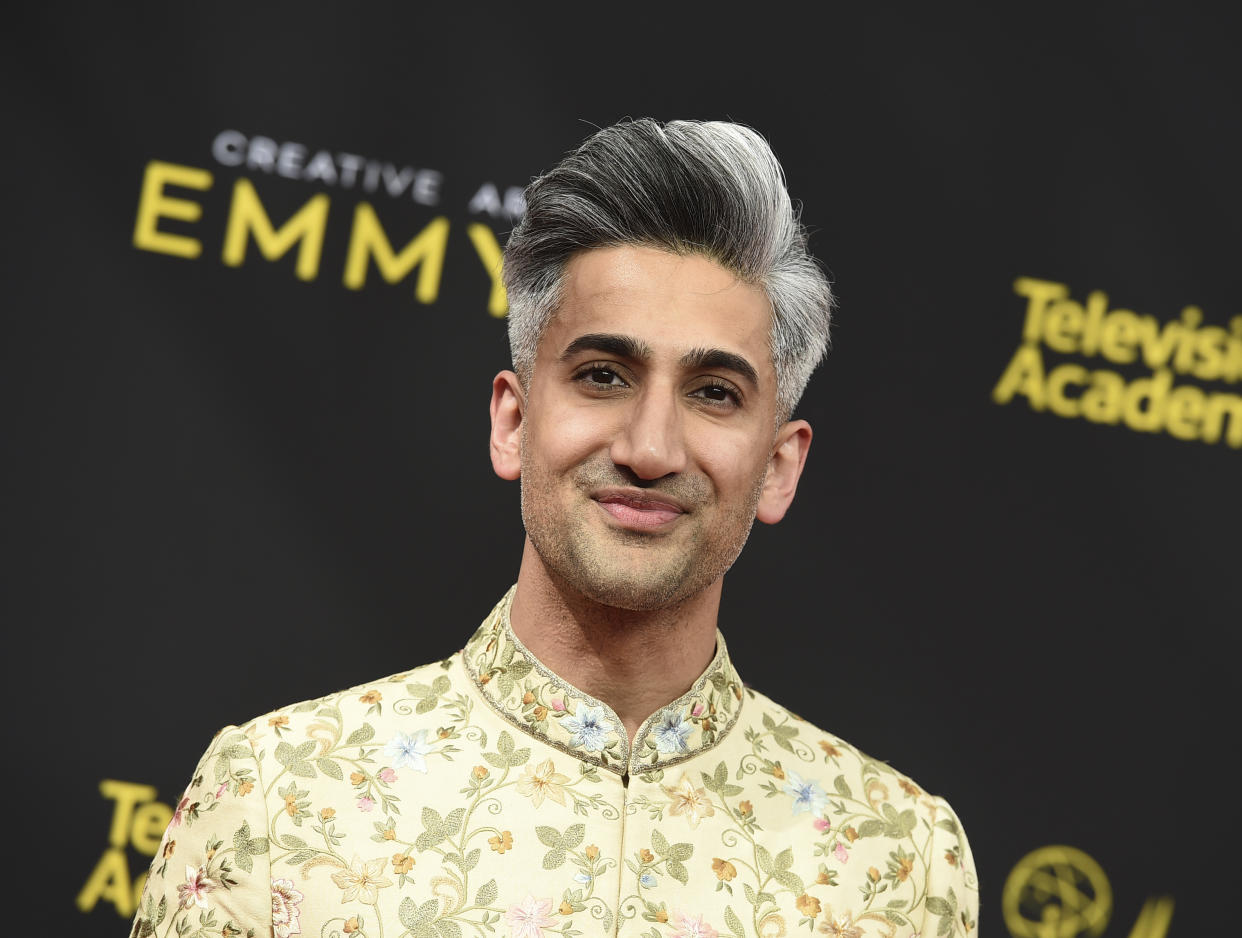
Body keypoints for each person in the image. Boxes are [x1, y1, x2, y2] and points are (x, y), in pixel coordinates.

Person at [131, 119, 978, 938]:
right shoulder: (281, 795)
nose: (650, 449)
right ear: (512, 420)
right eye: (603, 375)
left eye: (715, 392)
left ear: (780, 467)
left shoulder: (900, 859)